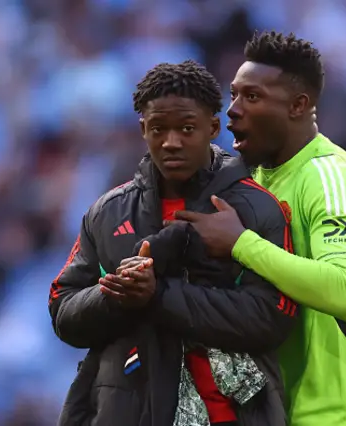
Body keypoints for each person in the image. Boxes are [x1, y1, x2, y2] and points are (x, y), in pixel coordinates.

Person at [49, 60, 297, 426]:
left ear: (213, 127)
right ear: (142, 129)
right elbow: (63, 311)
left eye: (186, 128)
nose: (171, 142)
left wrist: (158, 295)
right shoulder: (108, 213)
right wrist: (116, 294)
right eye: (158, 129)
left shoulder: (256, 207)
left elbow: (273, 316)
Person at [169, 32, 346, 425]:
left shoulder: (329, 176)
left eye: (251, 97)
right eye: (233, 94)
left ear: (299, 106)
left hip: (332, 415)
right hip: (269, 412)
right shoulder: (247, 181)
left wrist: (241, 244)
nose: (232, 109)